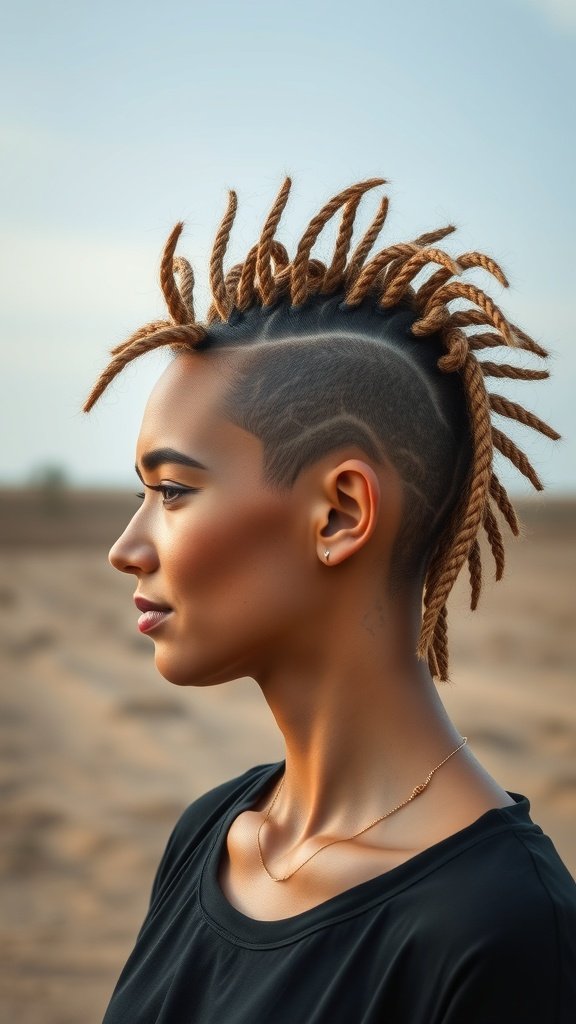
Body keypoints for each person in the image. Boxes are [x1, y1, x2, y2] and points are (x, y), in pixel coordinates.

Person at [85, 178, 576, 1023]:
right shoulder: (212, 834)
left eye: (171, 492)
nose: (125, 548)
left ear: (341, 513)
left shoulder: (504, 930)